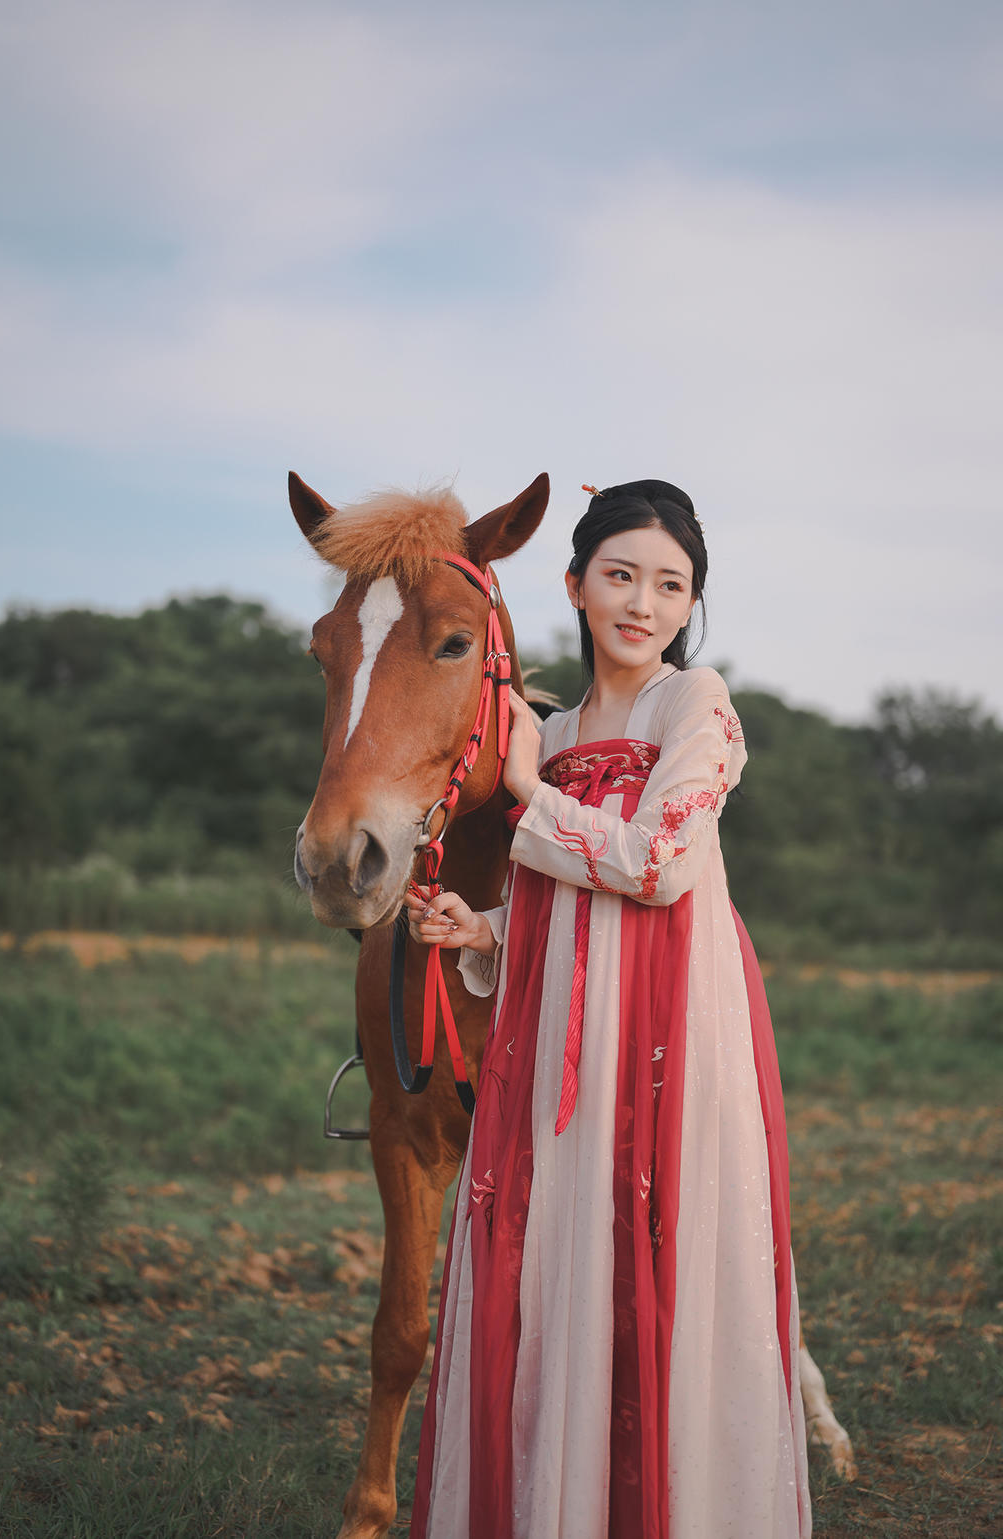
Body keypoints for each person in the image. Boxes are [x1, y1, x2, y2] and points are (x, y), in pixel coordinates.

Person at [406, 480, 812, 1539]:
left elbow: (662, 867)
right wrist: (481, 928)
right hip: (558, 1035)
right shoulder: (562, 722)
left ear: (690, 605)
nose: (643, 603)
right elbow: (562, 901)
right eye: (621, 576)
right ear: (577, 584)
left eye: (669, 585)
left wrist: (532, 792)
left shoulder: (695, 704)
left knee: (657, 1262)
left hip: (674, 1024)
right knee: (553, 1265)